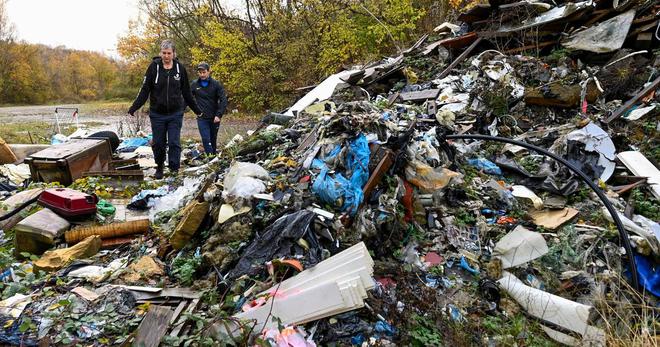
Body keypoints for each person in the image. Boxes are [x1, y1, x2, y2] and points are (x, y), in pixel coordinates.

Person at [128, 39, 202, 179]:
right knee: (159, 143)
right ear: (160, 53)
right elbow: (145, 90)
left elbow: (187, 92)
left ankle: (174, 169)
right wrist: (134, 107)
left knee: (174, 142)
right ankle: (160, 167)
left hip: (175, 113)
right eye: (164, 53)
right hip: (157, 114)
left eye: (169, 53)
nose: (166, 56)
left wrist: (197, 110)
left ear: (174, 54)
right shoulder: (153, 68)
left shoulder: (180, 69)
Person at [191, 62, 227, 156]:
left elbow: (223, 100)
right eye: (200, 72)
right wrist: (180, 110)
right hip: (202, 117)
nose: (202, 74)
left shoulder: (216, 84)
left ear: (208, 72)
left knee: (212, 139)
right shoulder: (195, 84)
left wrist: (219, 115)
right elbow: (188, 99)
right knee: (206, 139)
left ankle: (213, 157)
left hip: (214, 117)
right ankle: (210, 157)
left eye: (204, 72)